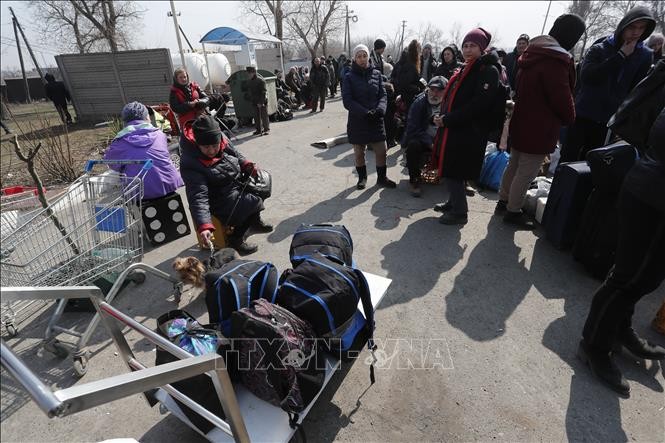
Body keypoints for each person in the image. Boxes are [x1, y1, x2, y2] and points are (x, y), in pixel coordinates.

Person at [579, 84, 665, 397]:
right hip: (652, 195)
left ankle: (618, 328)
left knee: (641, 275)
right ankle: (594, 345)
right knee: (632, 278)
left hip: (650, 192)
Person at [496, 14, 586, 229]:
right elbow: (561, 97)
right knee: (526, 171)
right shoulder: (555, 61)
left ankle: (504, 200)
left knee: (514, 164)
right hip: (541, 125)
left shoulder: (532, 53)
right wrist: (569, 117)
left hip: (522, 118)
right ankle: (514, 210)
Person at [560, 6, 655, 163]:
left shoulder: (645, 55)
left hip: (608, 121)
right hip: (583, 113)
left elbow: (635, 91)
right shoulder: (600, 47)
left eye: (641, 28)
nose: (636, 32)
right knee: (568, 158)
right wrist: (621, 56)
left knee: (591, 163)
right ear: (624, 26)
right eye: (632, 27)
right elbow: (588, 77)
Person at [431, 28, 499, 225]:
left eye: (473, 46)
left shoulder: (487, 71)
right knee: (453, 169)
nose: (468, 50)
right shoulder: (466, 68)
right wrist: (443, 116)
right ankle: (453, 202)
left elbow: (478, 105)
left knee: (454, 170)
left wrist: (448, 119)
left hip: (469, 130)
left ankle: (460, 213)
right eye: (465, 45)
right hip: (455, 126)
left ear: (482, 48)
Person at [180, 115, 273, 255]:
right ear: (198, 144)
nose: (211, 150)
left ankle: (254, 220)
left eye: (214, 146)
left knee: (264, 184)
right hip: (218, 198)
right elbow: (198, 196)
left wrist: (246, 165)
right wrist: (204, 225)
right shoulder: (190, 163)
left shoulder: (221, 138)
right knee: (253, 201)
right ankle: (236, 238)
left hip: (234, 184)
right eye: (206, 147)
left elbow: (235, 153)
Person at [342, 44, 397, 190]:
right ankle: (362, 177)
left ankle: (382, 178)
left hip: (376, 119)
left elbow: (383, 95)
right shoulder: (348, 77)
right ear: (354, 58)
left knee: (382, 150)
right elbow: (348, 101)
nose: (362, 59)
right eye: (359, 56)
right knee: (359, 152)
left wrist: (380, 110)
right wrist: (364, 113)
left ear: (368, 56)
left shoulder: (377, 74)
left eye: (364, 55)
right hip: (358, 120)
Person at [104, 101, 184, 200]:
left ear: (124, 122)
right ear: (147, 118)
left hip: (139, 192)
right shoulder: (159, 135)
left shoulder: (120, 142)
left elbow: (112, 164)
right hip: (168, 185)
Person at [404, 76, 447, 197]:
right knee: (413, 146)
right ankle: (415, 180)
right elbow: (412, 128)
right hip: (424, 139)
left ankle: (461, 182)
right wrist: (429, 142)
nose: (435, 93)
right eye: (432, 89)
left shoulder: (449, 103)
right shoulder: (419, 103)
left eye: (439, 90)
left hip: (443, 139)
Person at [397, 40, 425, 111]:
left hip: (408, 96)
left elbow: (416, 77)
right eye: (419, 50)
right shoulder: (409, 64)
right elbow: (406, 84)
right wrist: (417, 88)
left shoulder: (410, 62)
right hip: (409, 98)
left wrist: (424, 83)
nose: (421, 52)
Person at [246, 66, 270, 135]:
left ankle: (266, 129)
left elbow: (264, 92)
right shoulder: (250, 81)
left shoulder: (261, 81)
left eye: (249, 73)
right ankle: (259, 130)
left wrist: (261, 102)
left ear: (253, 73)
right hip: (254, 101)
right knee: (256, 117)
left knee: (264, 116)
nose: (248, 75)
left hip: (261, 101)